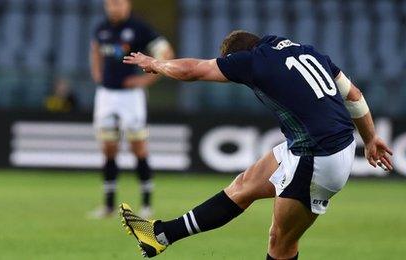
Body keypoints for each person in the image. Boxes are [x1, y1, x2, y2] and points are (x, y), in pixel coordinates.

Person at [120, 30, 393, 259]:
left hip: (318, 157)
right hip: (316, 145)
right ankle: (161, 235)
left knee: (280, 241)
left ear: (233, 57)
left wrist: (155, 63)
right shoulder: (307, 52)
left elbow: (193, 70)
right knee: (243, 186)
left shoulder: (252, 61)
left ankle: (162, 235)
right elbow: (354, 95)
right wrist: (369, 139)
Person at [89, 0, 174, 219]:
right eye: (110, 3)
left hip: (131, 97)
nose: (113, 7)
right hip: (106, 95)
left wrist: (146, 80)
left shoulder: (139, 28)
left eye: (118, 3)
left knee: (138, 147)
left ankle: (146, 204)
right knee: (108, 148)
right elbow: (96, 50)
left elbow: (166, 52)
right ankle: (108, 205)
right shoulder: (101, 28)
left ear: (127, 5)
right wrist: (97, 74)